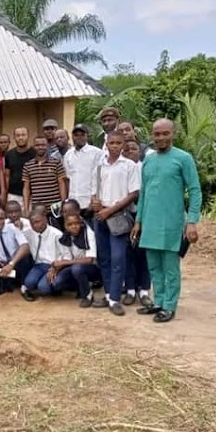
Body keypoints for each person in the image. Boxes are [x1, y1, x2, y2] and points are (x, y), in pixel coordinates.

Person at [131, 118, 202, 323]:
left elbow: (195, 190)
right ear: (152, 135)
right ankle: (158, 302)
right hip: (150, 223)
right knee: (154, 266)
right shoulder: (148, 161)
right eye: (157, 134)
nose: (160, 137)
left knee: (170, 267)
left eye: (165, 133)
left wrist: (192, 221)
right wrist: (139, 221)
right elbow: (144, 193)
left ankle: (170, 306)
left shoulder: (183, 158)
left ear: (173, 134)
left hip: (172, 221)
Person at [90, 130, 140, 316]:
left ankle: (116, 299)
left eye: (119, 143)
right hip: (100, 216)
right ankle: (110, 294)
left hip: (118, 216)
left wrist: (109, 210)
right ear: (106, 144)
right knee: (104, 258)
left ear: (123, 145)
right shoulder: (99, 166)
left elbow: (133, 193)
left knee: (118, 258)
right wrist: (95, 202)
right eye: (112, 143)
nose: (115, 146)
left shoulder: (129, 166)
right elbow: (94, 190)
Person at [122, 140, 152, 307]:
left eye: (134, 148)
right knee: (127, 253)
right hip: (123, 216)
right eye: (126, 149)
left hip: (145, 215)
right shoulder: (122, 167)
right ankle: (130, 289)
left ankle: (144, 290)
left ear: (140, 152)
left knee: (144, 253)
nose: (130, 151)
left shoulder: (145, 168)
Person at [50, 213, 100, 307]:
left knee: (77, 269)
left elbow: (89, 260)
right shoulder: (65, 236)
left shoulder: (88, 233)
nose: (74, 227)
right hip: (74, 266)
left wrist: (65, 262)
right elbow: (67, 257)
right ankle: (80, 287)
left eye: (76, 223)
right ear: (65, 225)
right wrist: (56, 267)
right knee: (57, 283)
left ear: (81, 223)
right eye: (70, 224)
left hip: (92, 268)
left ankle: (87, 295)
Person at [63, 124, 103, 226]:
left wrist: (93, 202)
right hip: (73, 205)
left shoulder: (96, 153)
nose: (79, 137)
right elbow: (68, 179)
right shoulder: (68, 155)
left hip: (90, 204)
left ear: (87, 136)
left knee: (92, 236)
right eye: (76, 135)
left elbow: (99, 179)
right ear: (72, 137)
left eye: (82, 134)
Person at [20, 209, 63, 302]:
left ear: (45, 219)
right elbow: (17, 237)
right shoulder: (28, 233)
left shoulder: (57, 234)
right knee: (29, 283)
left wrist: (56, 268)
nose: (36, 225)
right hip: (39, 265)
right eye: (33, 223)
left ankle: (57, 287)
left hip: (54, 265)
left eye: (38, 222)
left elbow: (64, 254)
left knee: (43, 288)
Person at [21, 136, 67, 222]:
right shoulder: (28, 165)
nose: (40, 147)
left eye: (43, 145)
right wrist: (26, 209)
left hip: (55, 208)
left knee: (57, 232)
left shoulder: (56, 163)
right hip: (37, 209)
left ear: (47, 146)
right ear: (34, 147)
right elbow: (26, 188)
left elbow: (62, 184)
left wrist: (63, 203)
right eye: (37, 145)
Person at [3, 127, 36, 209]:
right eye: (18, 135)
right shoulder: (9, 155)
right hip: (13, 195)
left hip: (32, 195)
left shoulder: (35, 154)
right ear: (14, 137)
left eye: (23, 135)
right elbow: (7, 176)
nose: (20, 137)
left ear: (28, 136)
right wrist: (5, 194)